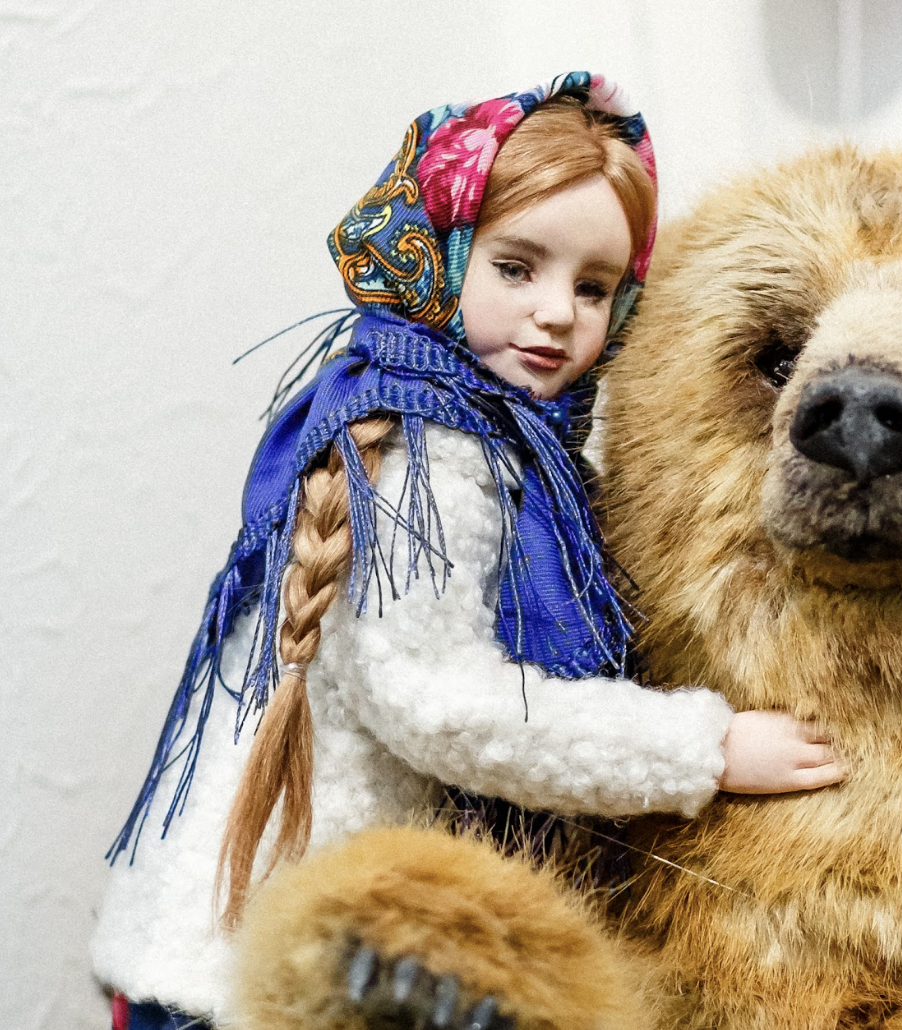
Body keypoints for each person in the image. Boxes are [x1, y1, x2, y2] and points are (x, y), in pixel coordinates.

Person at [91, 73, 844, 1029]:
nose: (558, 314)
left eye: (596, 286)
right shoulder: (430, 456)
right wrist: (706, 748)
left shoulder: (485, 440)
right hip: (278, 978)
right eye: (517, 267)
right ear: (441, 256)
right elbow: (441, 706)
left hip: (271, 948)